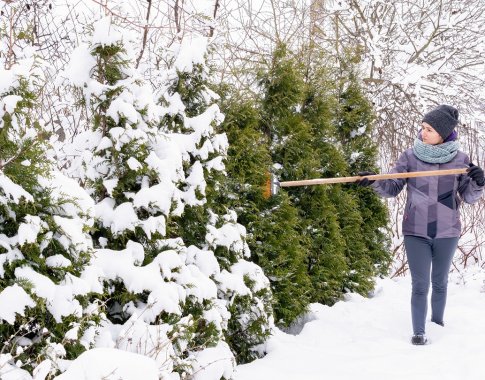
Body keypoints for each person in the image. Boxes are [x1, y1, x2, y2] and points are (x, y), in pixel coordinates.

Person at [358, 104, 484, 345]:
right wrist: (375, 181)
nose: (422, 133)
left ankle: (437, 324)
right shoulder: (410, 157)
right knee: (420, 284)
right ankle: (419, 332)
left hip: (448, 231)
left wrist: (478, 182)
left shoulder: (460, 160)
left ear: (443, 134)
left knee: (440, 281)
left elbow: (469, 196)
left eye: (429, 129)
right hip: (416, 230)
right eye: (422, 127)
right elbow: (392, 187)